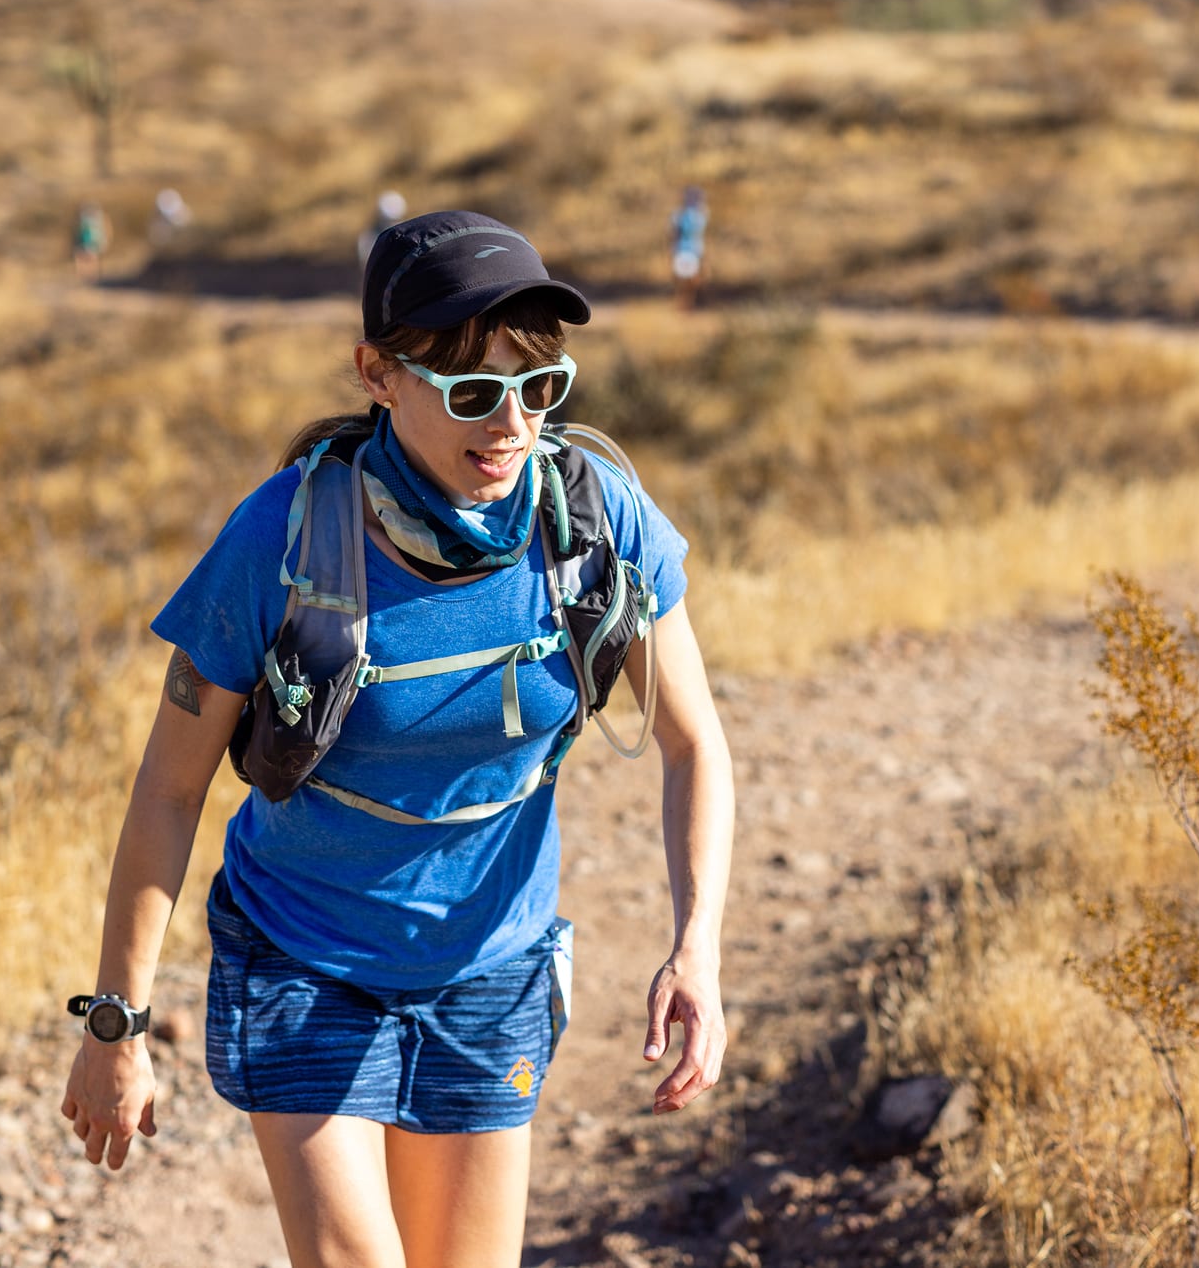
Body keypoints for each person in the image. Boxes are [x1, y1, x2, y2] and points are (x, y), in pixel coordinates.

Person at [60, 210, 735, 1268]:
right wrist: (117, 1023)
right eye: (471, 392)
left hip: (491, 965)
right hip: (301, 955)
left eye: (539, 386)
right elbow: (168, 790)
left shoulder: (597, 521)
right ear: (377, 373)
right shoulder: (281, 537)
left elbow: (693, 745)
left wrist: (697, 945)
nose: (511, 423)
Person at [669, 186, 709, 312]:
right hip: (683, 249)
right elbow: (675, 233)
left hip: (693, 250)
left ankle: (690, 303)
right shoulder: (680, 215)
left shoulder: (699, 216)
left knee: (693, 279)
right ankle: (682, 303)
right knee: (682, 279)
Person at [359, 190, 408, 271]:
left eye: (395, 220)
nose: (392, 224)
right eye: (389, 220)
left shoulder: (408, 235)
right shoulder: (369, 238)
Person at [73, 203, 112, 281]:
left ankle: (91, 275)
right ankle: (85, 274)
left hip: (93, 240)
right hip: (87, 240)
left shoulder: (98, 219)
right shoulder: (86, 219)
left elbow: (106, 228)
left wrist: (106, 239)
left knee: (91, 257)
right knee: (83, 256)